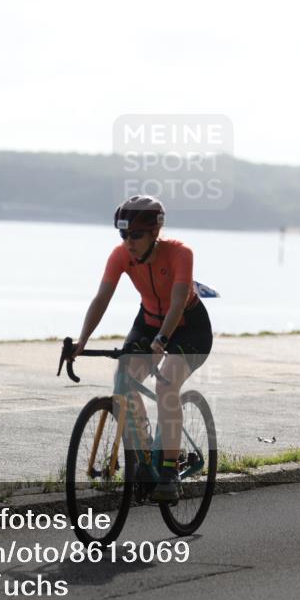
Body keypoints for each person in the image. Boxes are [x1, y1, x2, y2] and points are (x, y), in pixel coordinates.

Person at [73, 195, 213, 503]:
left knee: (166, 383)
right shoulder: (121, 256)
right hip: (148, 321)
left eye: (135, 235)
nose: (128, 242)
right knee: (124, 378)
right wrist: (81, 342)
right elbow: (101, 300)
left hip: (189, 326)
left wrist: (161, 343)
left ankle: (169, 471)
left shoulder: (181, 253)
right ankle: (144, 453)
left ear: (155, 232)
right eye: (123, 235)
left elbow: (177, 304)